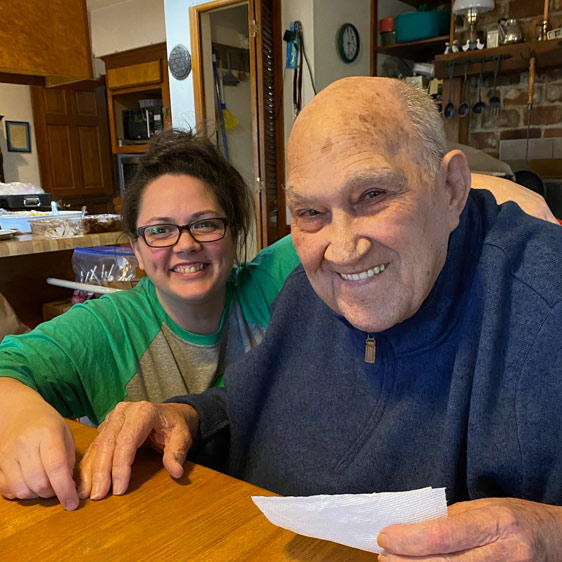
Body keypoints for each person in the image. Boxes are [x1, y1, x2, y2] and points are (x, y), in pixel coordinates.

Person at [76, 77, 562, 560]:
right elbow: (251, 403)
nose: (344, 249)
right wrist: (184, 416)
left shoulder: (545, 303)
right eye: (310, 212)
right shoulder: (306, 292)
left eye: (372, 195)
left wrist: (550, 533)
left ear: (451, 188)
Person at [0, 128, 299, 510]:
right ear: (136, 251)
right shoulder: (109, 328)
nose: (186, 244)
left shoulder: (272, 281)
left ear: (234, 233)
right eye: (160, 230)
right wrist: (17, 416)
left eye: (205, 223)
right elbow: (8, 366)